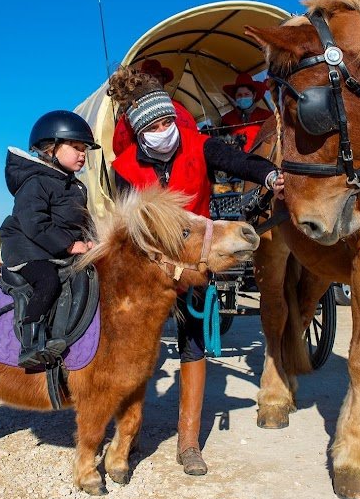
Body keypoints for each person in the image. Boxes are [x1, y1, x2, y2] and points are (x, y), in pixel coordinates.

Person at [106, 66, 284, 476]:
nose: (166, 130)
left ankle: (188, 442)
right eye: (156, 125)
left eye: (170, 120)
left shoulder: (198, 145)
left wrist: (270, 174)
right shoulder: (124, 170)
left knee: (193, 344)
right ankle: (126, 436)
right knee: (133, 348)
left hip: (197, 260)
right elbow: (125, 225)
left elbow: (239, 161)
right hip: (149, 268)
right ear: (140, 131)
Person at [0, 110, 99, 368]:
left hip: (52, 248)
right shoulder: (36, 182)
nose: (82, 154)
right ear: (50, 149)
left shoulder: (75, 186)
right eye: (76, 147)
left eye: (84, 149)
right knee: (48, 280)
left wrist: (94, 241)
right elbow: (34, 223)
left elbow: (82, 220)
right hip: (28, 250)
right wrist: (68, 245)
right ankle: (31, 343)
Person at [112, 59, 196, 157]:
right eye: (148, 76)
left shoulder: (179, 107)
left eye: (157, 75)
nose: (154, 79)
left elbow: (192, 136)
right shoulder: (130, 114)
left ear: (163, 79)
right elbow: (123, 149)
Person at [220, 72, 274, 151]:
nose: (243, 97)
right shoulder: (226, 119)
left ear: (254, 95)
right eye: (239, 95)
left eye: (246, 94)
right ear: (235, 97)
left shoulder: (267, 116)